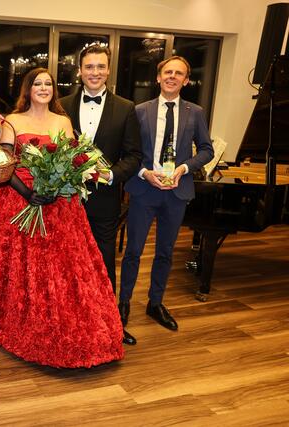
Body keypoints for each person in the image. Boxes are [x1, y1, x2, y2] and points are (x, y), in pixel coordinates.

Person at [0, 68, 124, 368]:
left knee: (65, 269)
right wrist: (28, 193)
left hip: (61, 204)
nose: (43, 88)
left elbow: (72, 160)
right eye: (37, 83)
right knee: (28, 269)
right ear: (27, 89)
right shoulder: (12, 121)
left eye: (48, 84)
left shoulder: (63, 121)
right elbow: (3, 162)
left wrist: (59, 185)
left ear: (54, 89)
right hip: (22, 200)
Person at [119, 56, 214, 332]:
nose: (172, 76)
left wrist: (184, 168)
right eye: (168, 72)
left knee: (165, 252)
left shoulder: (195, 112)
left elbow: (206, 150)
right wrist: (144, 173)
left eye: (179, 73)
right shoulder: (139, 111)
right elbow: (127, 152)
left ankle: (155, 303)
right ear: (158, 77)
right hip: (144, 190)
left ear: (186, 80)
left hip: (176, 192)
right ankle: (123, 302)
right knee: (133, 251)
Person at [59, 44, 142, 346]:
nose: (94, 72)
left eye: (100, 67)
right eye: (89, 67)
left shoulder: (126, 108)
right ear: (80, 71)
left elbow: (134, 156)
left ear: (108, 70)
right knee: (67, 262)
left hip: (104, 201)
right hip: (66, 200)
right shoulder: (61, 105)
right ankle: (70, 323)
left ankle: (110, 325)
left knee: (104, 263)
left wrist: (110, 175)